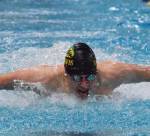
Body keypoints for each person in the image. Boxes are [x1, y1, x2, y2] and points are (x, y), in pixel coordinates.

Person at [0, 42, 150, 99]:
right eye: (78, 78)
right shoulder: (46, 79)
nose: (84, 85)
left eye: (89, 77)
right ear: (67, 75)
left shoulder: (114, 74)